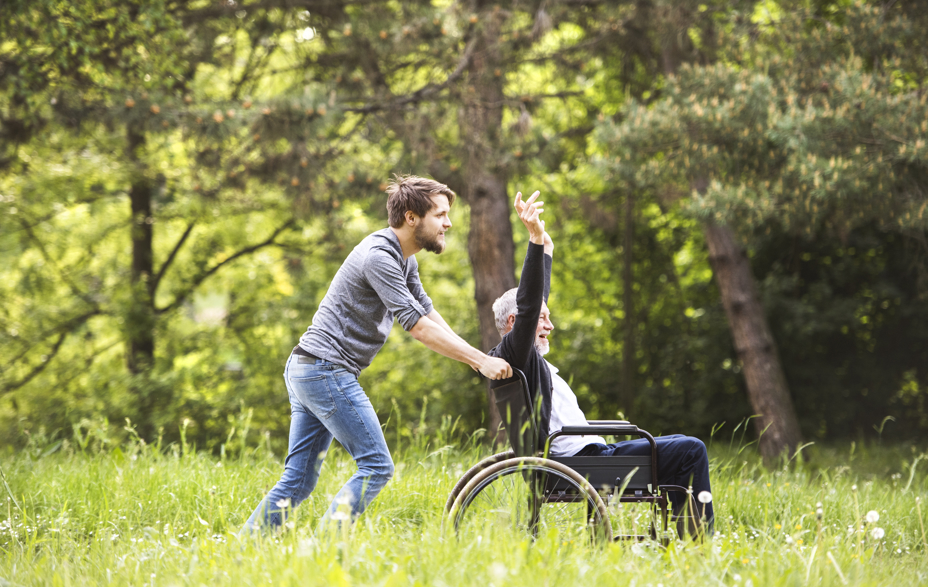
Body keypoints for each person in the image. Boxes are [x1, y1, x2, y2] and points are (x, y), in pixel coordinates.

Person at [242, 175, 512, 533]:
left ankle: (247, 546)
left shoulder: (404, 259)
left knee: (300, 479)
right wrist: (480, 362)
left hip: (308, 367)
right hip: (325, 369)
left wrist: (480, 356)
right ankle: (324, 552)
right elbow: (416, 326)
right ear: (412, 217)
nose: (448, 223)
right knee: (376, 466)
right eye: (441, 214)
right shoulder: (379, 257)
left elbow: (429, 313)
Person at [489, 190, 714, 534]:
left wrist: (545, 248)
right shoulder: (516, 355)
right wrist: (534, 240)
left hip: (586, 458)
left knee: (680, 443)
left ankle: (685, 535)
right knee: (690, 450)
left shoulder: (524, 360)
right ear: (514, 324)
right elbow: (530, 302)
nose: (550, 325)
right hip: (582, 465)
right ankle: (697, 542)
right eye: (542, 318)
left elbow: (535, 299)